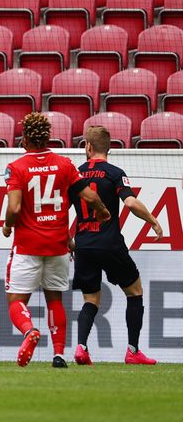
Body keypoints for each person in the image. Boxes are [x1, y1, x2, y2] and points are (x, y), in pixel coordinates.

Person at [2, 113, 110, 368]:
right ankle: (59, 354)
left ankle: (29, 331)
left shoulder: (16, 167)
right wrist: (103, 211)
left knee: (16, 301)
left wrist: (7, 225)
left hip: (28, 245)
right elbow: (90, 196)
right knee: (55, 300)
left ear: (25, 138)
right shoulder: (64, 164)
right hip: (59, 245)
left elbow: (15, 208)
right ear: (48, 137)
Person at [69, 126, 163, 365]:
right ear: (108, 148)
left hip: (83, 245)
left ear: (88, 147)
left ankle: (81, 348)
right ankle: (133, 351)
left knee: (90, 300)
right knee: (135, 291)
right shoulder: (115, 173)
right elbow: (130, 203)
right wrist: (152, 221)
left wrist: (70, 242)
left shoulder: (75, 174)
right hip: (109, 243)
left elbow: (60, 213)